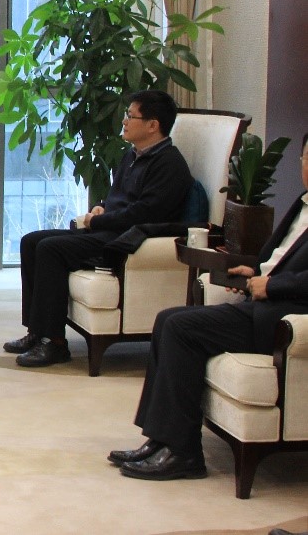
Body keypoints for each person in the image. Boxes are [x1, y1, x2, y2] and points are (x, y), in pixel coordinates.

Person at [109, 134, 308, 481]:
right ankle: (159, 440)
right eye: (307, 158)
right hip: (261, 303)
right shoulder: (303, 203)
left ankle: (184, 453)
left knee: (180, 327)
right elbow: (282, 258)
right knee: (167, 319)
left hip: (281, 319)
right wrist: (255, 271)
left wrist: (273, 285)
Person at [4, 89, 193, 367]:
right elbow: (120, 200)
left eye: (131, 116)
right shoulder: (132, 156)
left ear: (153, 125)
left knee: (51, 249)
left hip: (124, 241)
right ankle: (37, 331)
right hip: (108, 230)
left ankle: (55, 343)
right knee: (31, 241)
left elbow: (144, 213)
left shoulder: (169, 165)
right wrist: (101, 208)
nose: (124, 121)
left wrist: (99, 220)